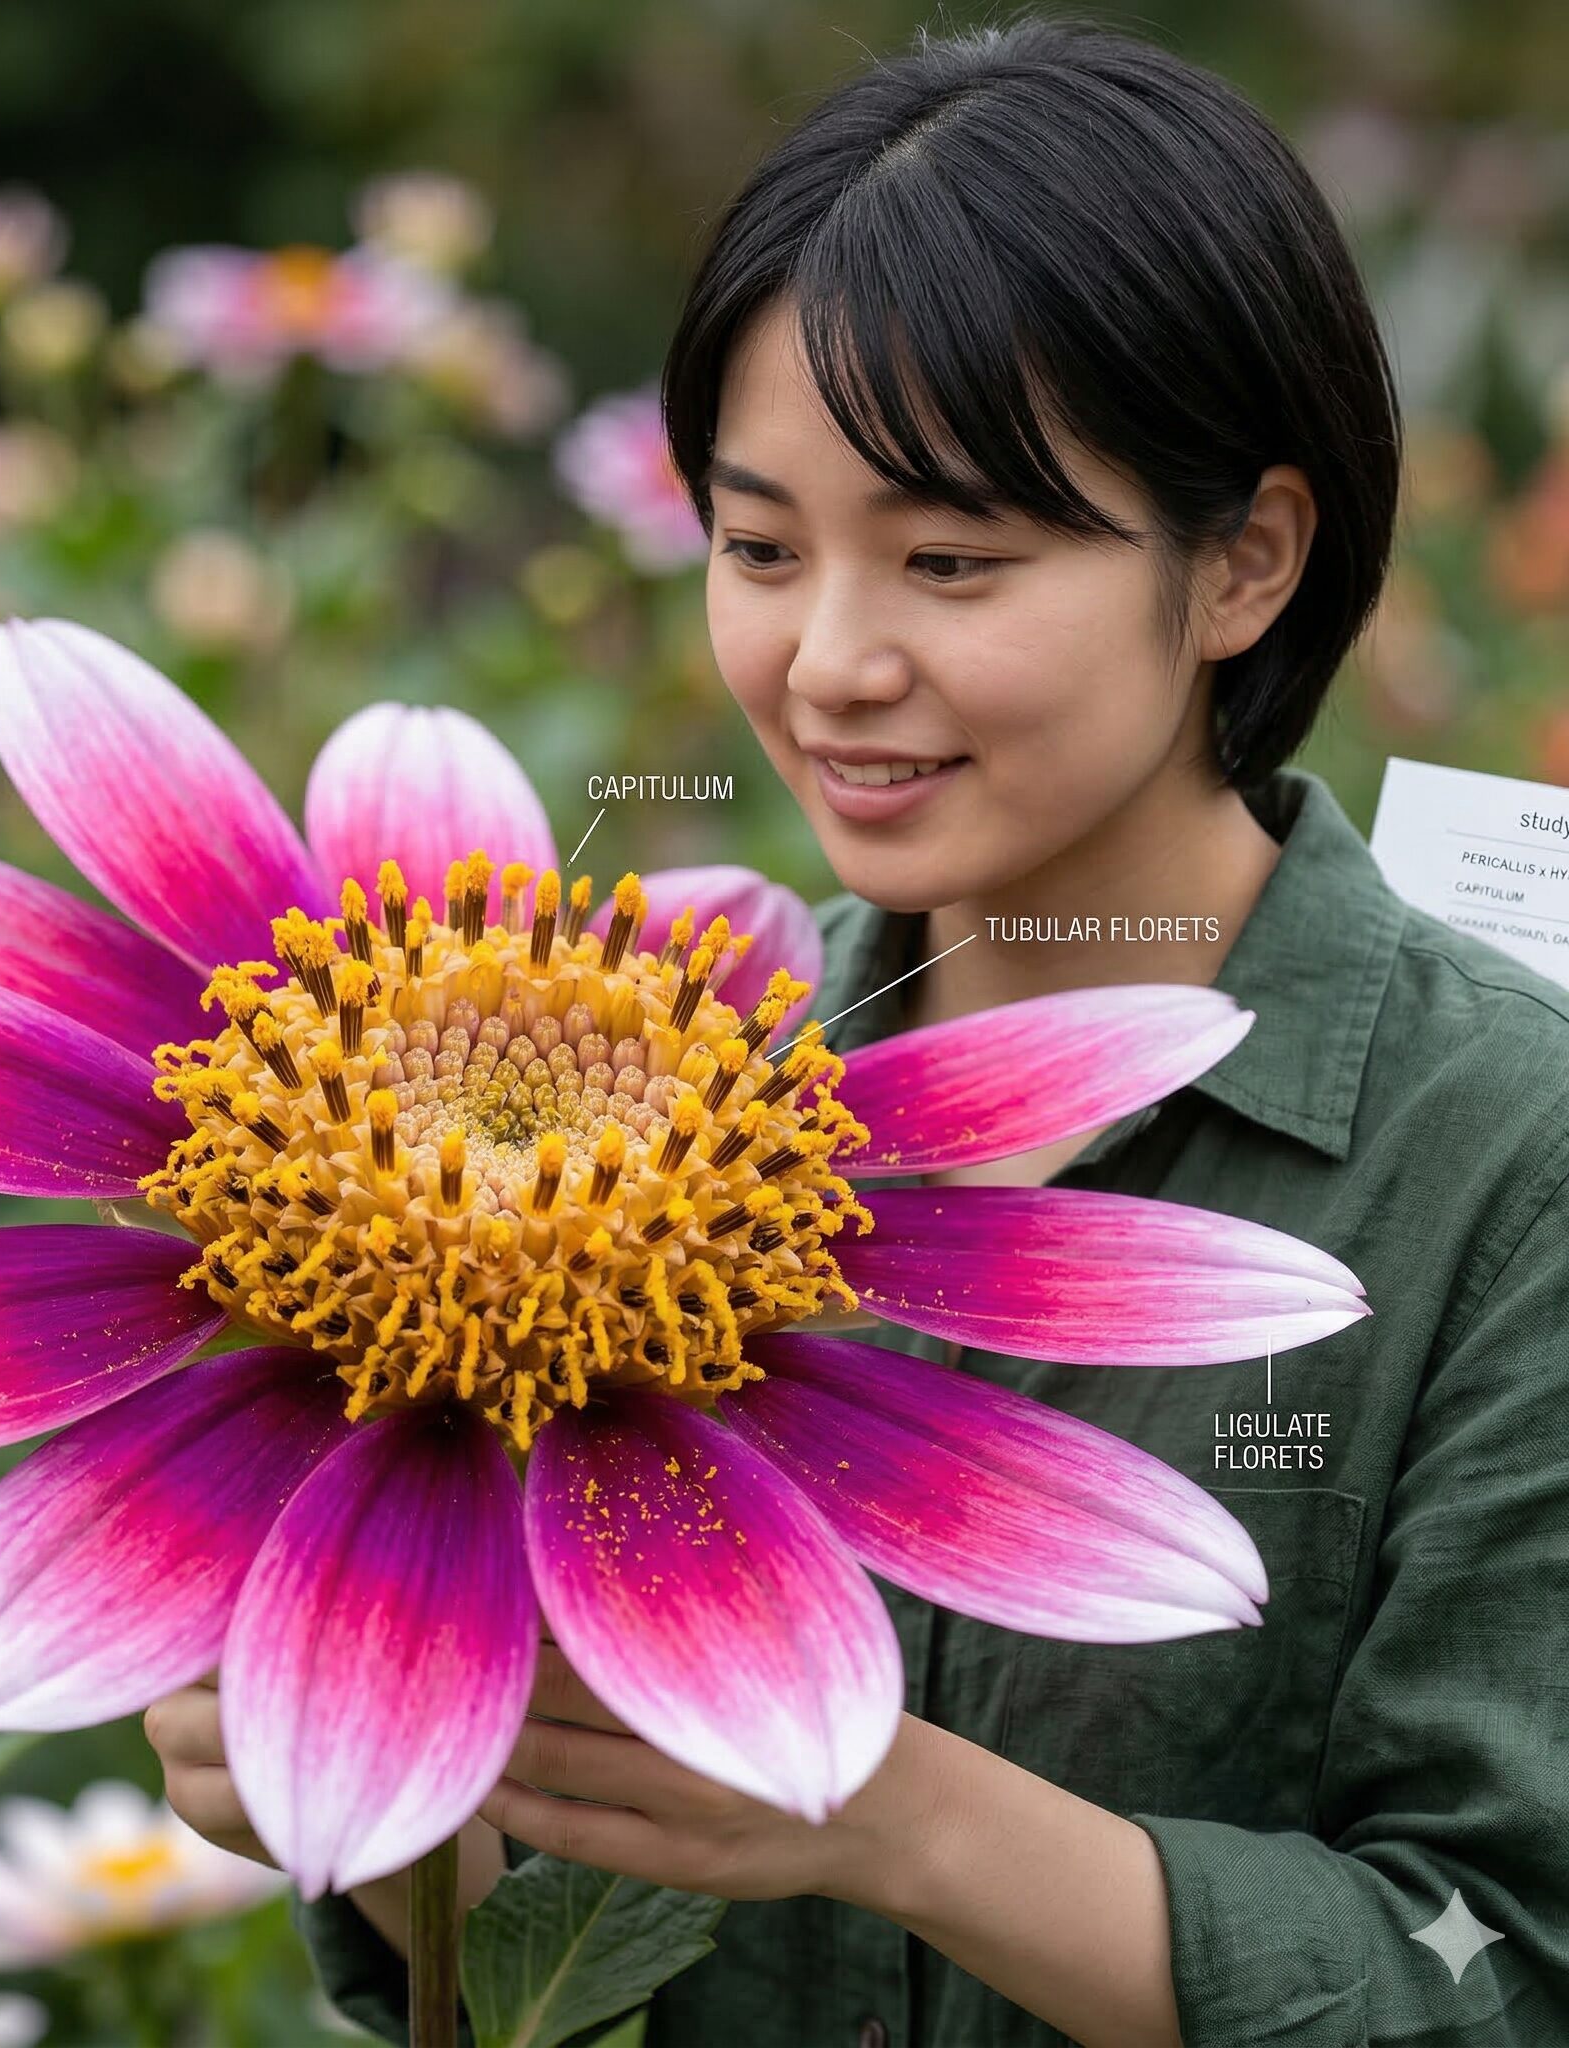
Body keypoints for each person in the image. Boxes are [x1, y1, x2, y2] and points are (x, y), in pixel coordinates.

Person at [145, 20, 1569, 2044]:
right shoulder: (587, 1081)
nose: (825, 662)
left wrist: (888, 1816)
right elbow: (558, 1951)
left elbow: (1500, 1966)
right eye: (753, 546)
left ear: (1246, 559)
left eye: (949, 559)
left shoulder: (1506, 1152)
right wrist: (388, 1812)